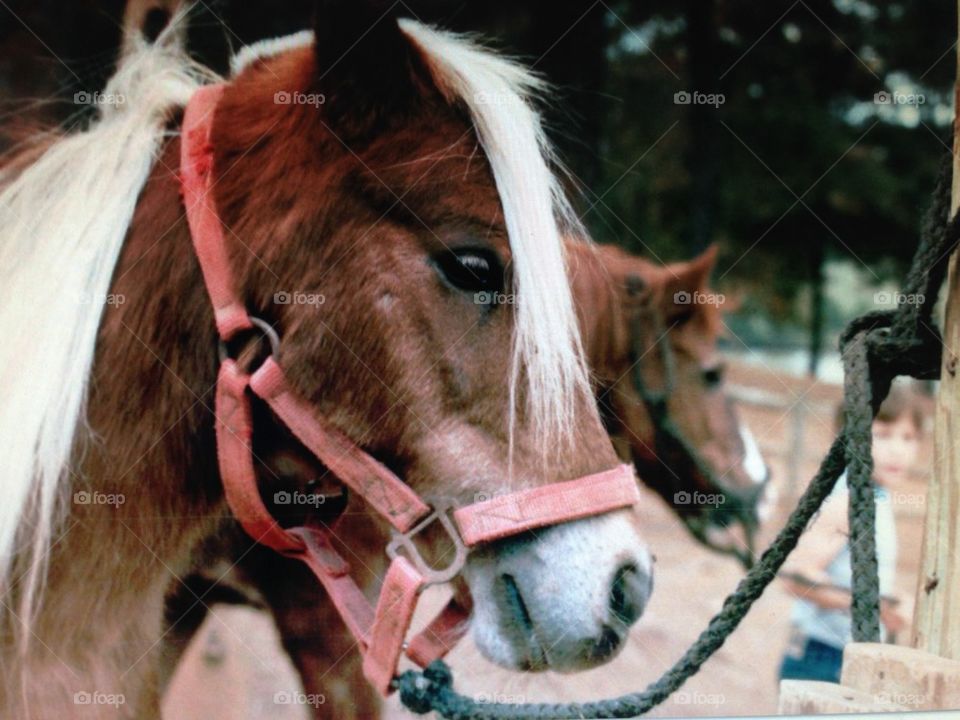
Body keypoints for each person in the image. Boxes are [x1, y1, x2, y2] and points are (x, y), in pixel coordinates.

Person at [778, 384, 926, 683]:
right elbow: (796, 578)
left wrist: (887, 603)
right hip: (821, 657)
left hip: (852, 655)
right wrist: (875, 604)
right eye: (882, 435)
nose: (898, 450)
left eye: (908, 438)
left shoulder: (876, 498)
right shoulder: (846, 500)